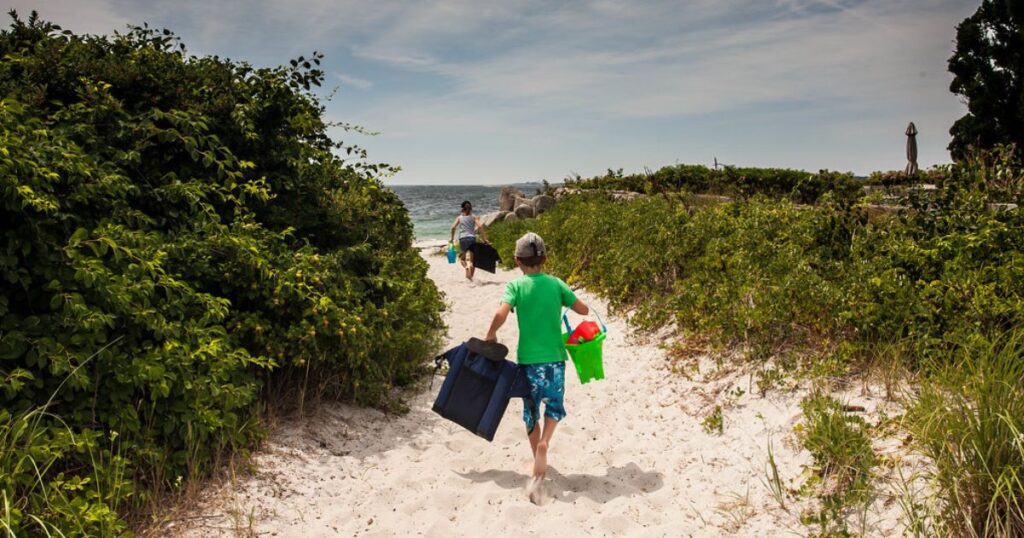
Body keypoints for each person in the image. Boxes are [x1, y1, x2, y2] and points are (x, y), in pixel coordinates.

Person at [483, 232, 589, 503]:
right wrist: (566, 301)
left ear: (518, 260)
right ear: (545, 258)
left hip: (528, 361)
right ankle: (546, 442)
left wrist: (490, 334)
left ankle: (536, 457)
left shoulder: (516, 287)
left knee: (531, 412)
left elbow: (501, 313)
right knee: (554, 406)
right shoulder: (555, 284)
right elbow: (584, 310)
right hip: (555, 359)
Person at [449, 200, 488, 281]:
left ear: (462, 209)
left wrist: (452, 239)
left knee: (461, 258)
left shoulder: (459, 218)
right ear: (470, 208)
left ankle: (466, 268)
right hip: (471, 239)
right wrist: (485, 239)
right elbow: (480, 226)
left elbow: (453, 227)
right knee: (473, 260)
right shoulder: (473, 217)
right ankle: (471, 277)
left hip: (462, 239)